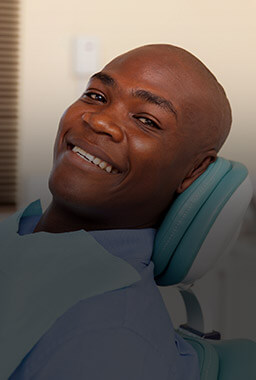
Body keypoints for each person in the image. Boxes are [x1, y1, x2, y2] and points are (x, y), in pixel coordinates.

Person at [5, 44, 231, 379]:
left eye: (146, 120)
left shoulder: (107, 340)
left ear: (193, 171)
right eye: (96, 96)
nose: (99, 121)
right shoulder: (26, 231)